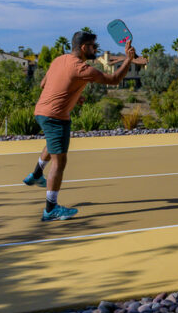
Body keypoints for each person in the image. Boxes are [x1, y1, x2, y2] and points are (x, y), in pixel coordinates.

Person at [22, 30, 135, 220]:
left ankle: (35, 175)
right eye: (93, 46)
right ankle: (50, 209)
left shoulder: (59, 60)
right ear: (84, 48)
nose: (96, 49)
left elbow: (44, 84)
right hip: (55, 117)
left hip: (41, 112)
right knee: (60, 162)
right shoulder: (82, 68)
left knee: (52, 146)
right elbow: (114, 80)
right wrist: (128, 59)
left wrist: (73, 93)